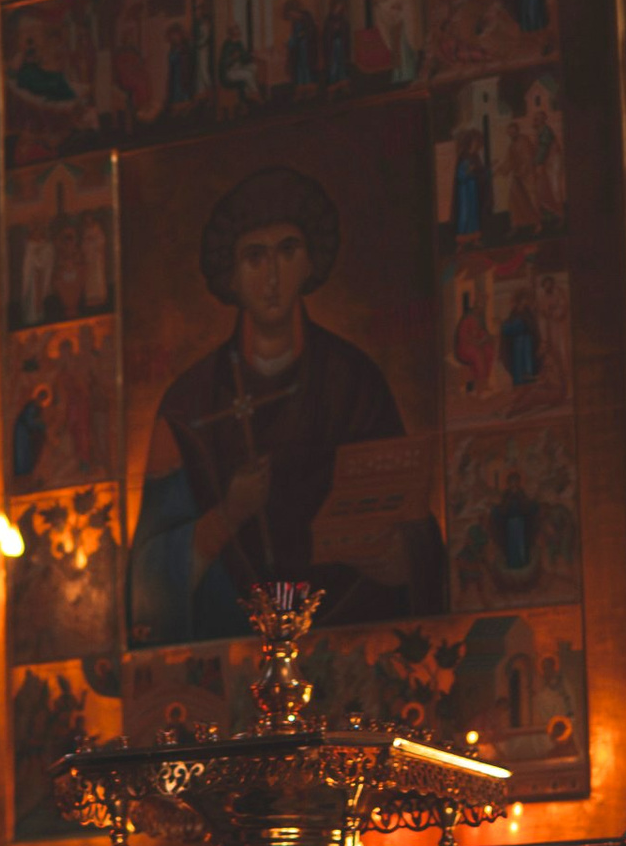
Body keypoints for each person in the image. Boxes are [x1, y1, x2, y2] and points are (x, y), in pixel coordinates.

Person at [125, 165, 443, 646]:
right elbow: (147, 582)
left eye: (287, 251)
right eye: (254, 258)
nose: (272, 277)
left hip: (350, 636)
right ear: (230, 274)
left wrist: (399, 557)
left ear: (310, 262)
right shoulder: (187, 404)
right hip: (234, 642)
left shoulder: (353, 381)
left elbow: (416, 533)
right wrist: (228, 515)